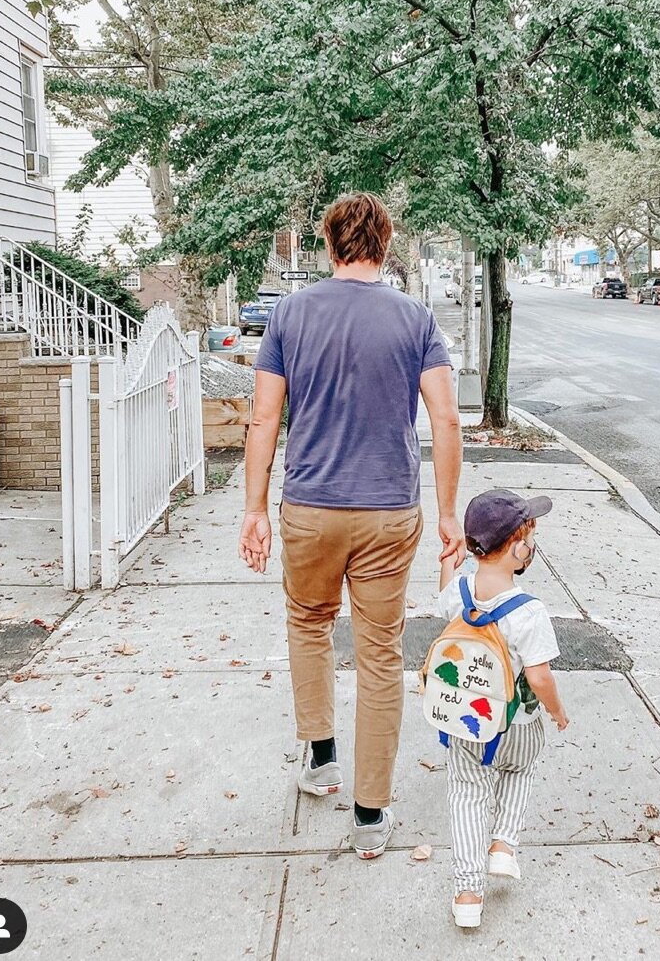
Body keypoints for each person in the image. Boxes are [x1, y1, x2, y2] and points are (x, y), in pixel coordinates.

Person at [238, 192, 466, 860]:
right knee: (379, 655)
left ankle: (320, 760)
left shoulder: (289, 314)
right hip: (389, 513)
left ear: (330, 245)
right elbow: (448, 421)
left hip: (308, 506)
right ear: (385, 245)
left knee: (308, 624)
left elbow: (262, 420)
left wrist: (255, 509)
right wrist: (449, 512)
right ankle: (370, 814)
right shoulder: (415, 317)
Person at [436, 488, 568, 928]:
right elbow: (540, 677)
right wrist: (557, 711)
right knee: (518, 772)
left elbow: (444, 597)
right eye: (529, 540)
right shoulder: (529, 613)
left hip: (467, 723)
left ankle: (468, 893)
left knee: (468, 795)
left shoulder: (458, 593)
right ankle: (504, 845)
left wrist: (448, 563)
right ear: (516, 550)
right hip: (519, 725)